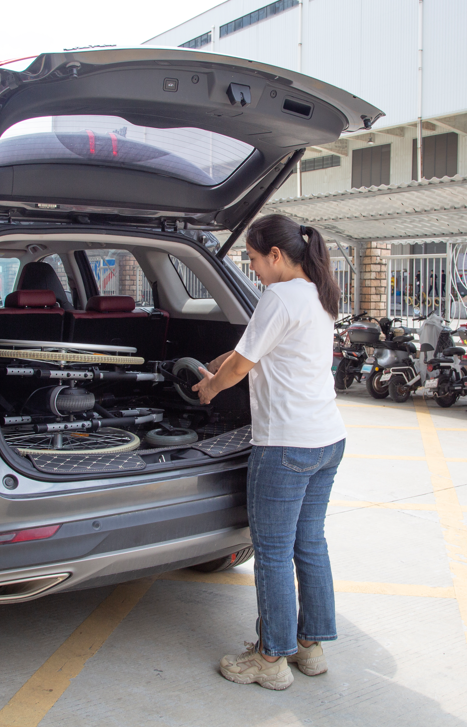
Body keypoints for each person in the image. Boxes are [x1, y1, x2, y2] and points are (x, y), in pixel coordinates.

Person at [192, 214, 347, 691]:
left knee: (274, 553)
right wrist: (218, 362)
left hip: (285, 444)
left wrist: (210, 387)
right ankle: (310, 648)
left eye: (255, 259)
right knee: (310, 543)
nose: (254, 270)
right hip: (328, 439)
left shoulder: (278, 296)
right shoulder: (318, 293)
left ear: (276, 255)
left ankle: (270, 658)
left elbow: (241, 366)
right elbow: (258, 350)